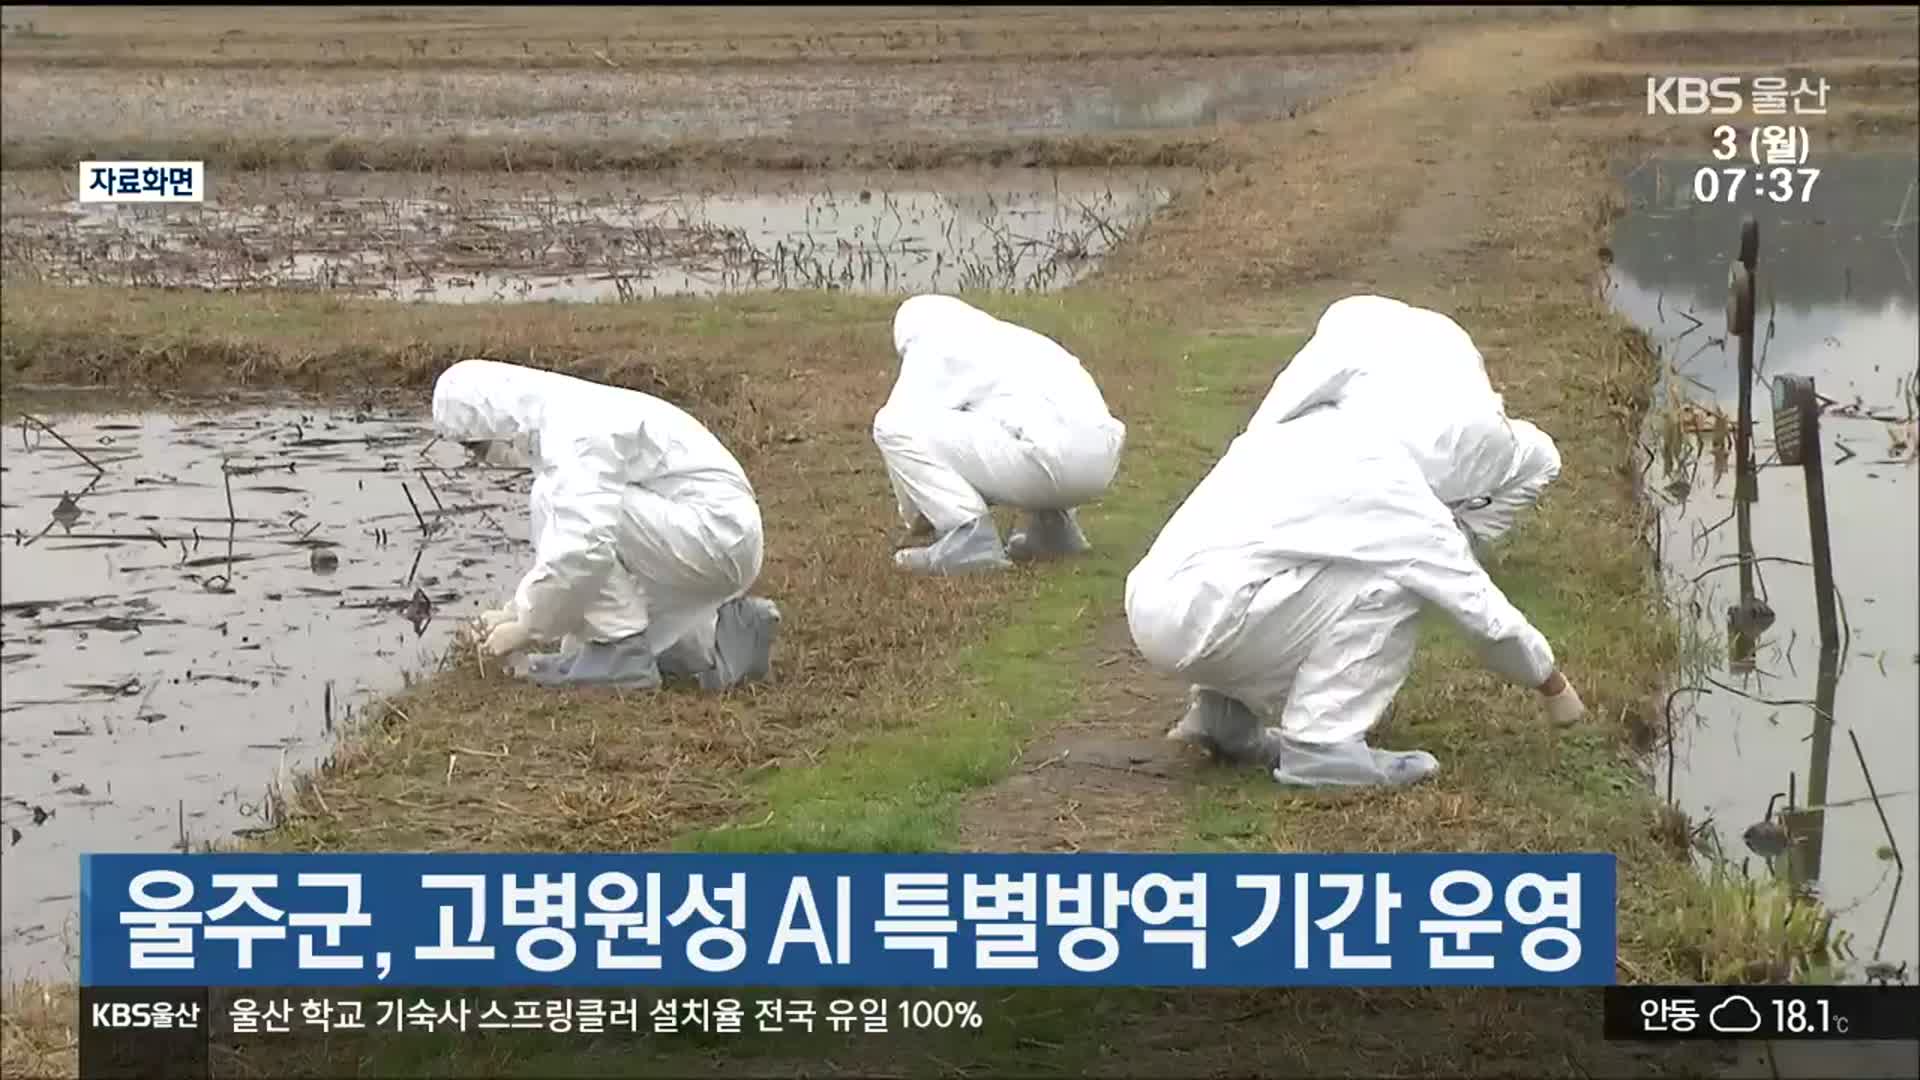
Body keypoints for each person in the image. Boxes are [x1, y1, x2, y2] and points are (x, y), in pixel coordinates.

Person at [1124, 399, 1587, 790]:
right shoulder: (1401, 490)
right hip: (1209, 624)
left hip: (1153, 604)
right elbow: (1477, 606)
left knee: (1283, 565)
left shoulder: (1313, 430)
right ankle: (1323, 746)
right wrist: (1551, 682)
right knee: (1393, 585)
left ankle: (1222, 715)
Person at [431, 359, 780, 691]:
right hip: (722, 537)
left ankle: (621, 657)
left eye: (474, 444)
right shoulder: (576, 408)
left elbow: (583, 548)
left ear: (491, 416)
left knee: (556, 502)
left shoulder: (572, 427)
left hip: (712, 536)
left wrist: (527, 623)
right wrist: (513, 611)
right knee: (590, 643)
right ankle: (724, 635)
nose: (479, 456)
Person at [1247, 295, 1563, 551]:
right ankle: (1454, 546)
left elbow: (1277, 411)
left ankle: (1375, 543)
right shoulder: (1443, 329)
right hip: (1487, 445)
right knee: (1545, 459)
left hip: (1394, 464)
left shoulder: (1343, 336)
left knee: (1315, 428)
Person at [872, 294, 1127, 574]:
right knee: (1014, 417)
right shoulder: (1015, 340)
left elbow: (902, 423)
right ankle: (1054, 529)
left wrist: (916, 514)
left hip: (1050, 464)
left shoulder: (932, 344)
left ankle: (969, 541)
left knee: (889, 425)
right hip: (1102, 462)